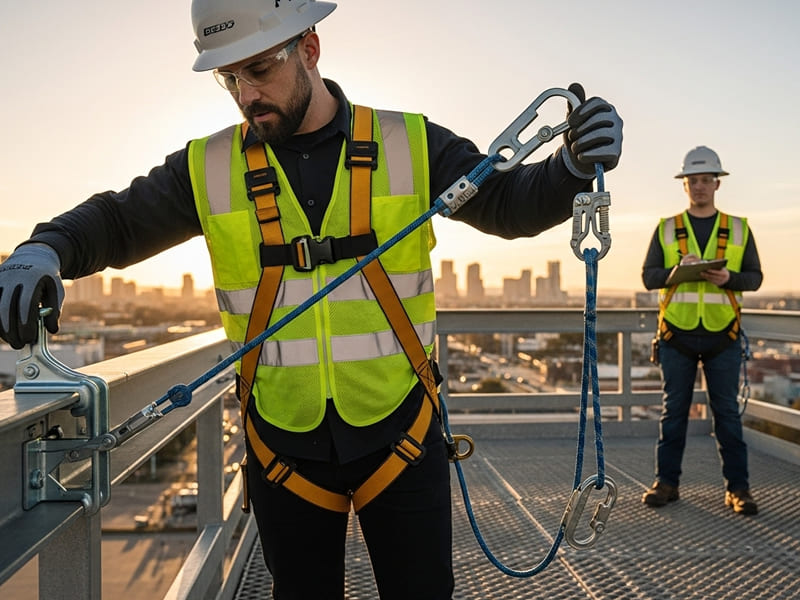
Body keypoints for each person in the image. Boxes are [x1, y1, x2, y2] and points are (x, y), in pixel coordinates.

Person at [0, 1, 623, 598]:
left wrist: (570, 166)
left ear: (310, 48)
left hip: (402, 435)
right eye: (229, 78)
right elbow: (116, 221)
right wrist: (44, 248)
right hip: (283, 447)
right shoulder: (208, 167)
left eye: (260, 69)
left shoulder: (409, 143)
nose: (246, 95)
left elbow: (508, 202)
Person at [641, 145, 762, 516]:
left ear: (717, 184)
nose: (699, 187)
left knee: (726, 415)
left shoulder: (738, 228)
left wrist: (728, 279)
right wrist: (676, 272)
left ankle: (738, 490)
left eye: (706, 180)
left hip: (721, 335)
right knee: (673, 413)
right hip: (676, 335)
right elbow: (649, 278)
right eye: (693, 181)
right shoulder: (666, 229)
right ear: (685, 185)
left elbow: (755, 279)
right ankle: (667, 483)